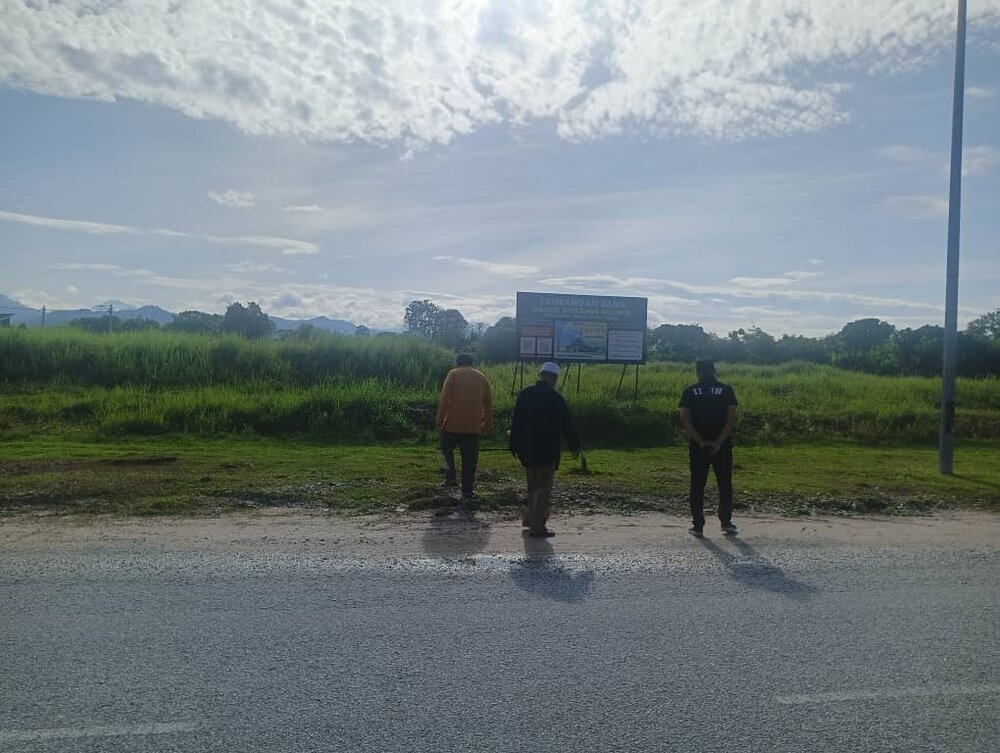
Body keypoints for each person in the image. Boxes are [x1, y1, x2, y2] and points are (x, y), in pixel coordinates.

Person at [509, 362, 581, 538]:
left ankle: (529, 518)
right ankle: (537, 527)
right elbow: (566, 424)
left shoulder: (525, 394)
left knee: (532, 485)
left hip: (526, 448)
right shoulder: (555, 398)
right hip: (546, 448)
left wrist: (513, 445)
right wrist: (574, 445)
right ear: (553, 378)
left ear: (540, 375)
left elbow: (515, 421)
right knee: (543, 488)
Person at [678, 359, 739, 538]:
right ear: (714, 371)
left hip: (698, 446)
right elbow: (731, 418)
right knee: (725, 484)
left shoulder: (689, 392)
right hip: (723, 445)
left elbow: (684, 419)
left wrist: (700, 441)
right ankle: (726, 523)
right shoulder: (727, 390)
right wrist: (719, 442)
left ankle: (698, 525)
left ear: (698, 372)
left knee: (697, 485)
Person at [436, 353, 494, 506]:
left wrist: (439, 420)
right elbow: (488, 403)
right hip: (473, 427)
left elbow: (444, 398)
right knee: (470, 460)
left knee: (443, 450)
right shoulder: (482, 377)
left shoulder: (453, 374)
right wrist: (487, 423)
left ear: (458, 363)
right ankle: (467, 490)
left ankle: (450, 478)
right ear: (471, 363)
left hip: (451, 425)